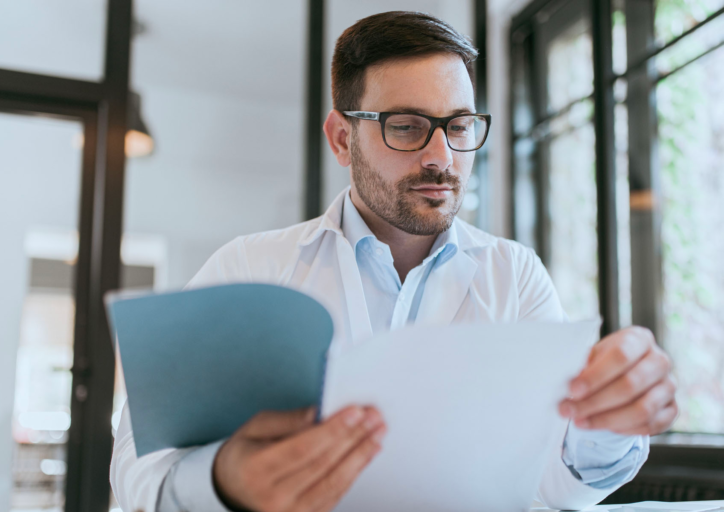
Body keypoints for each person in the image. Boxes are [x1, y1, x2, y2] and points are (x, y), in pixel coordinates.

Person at [111, 11, 677, 512]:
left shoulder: (516, 275)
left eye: (458, 126)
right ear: (341, 139)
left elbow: (556, 485)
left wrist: (607, 422)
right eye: (406, 126)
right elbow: (139, 460)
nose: (442, 157)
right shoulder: (249, 266)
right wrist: (226, 481)